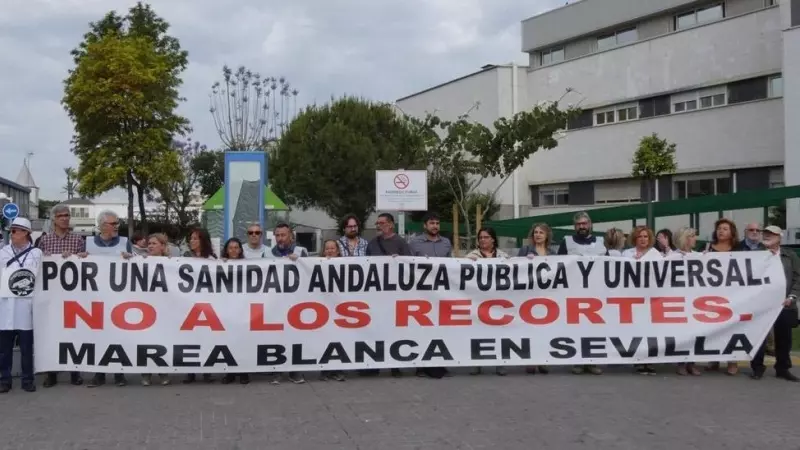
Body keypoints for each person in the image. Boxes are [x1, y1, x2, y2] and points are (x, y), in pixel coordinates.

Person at [38, 204, 87, 388]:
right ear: (54, 219)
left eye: (67, 215)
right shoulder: (45, 241)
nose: (65, 218)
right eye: (61, 216)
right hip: (51, 295)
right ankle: (51, 373)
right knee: (52, 333)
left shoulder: (77, 240)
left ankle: (75, 371)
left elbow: (86, 262)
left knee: (74, 332)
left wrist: (80, 256)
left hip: (73, 294)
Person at [86, 210, 131, 388]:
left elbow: (135, 265)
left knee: (118, 336)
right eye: (113, 224)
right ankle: (99, 373)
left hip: (118, 299)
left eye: (117, 223)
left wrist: (131, 258)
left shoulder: (124, 242)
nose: (116, 227)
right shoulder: (88, 243)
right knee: (98, 336)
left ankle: (119, 373)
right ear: (103, 225)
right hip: (95, 298)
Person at [363, 213, 411, 378]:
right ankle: (374, 364)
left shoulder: (401, 243)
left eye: (382, 223)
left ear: (391, 225)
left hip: (395, 294)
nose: (378, 226)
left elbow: (409, 265)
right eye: (377, 223)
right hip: (376, 294)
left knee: (393, 330)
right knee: (375, 329)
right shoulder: (372, 244)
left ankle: (394, 365)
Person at [750, 225, 800, 382]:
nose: (767, 236)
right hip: (762, 304)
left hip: (785, 303)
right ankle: (757, 367)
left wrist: (792, 297)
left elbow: (798, 278)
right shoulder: (755, 255)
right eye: (765, 233)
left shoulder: (790, 255)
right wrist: (764, 258)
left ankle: (783, 368)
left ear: (780, 238)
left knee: (784, 337)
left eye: (771, 234)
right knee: (760, 336)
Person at [558, 212, 604, 376]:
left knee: (595, 329)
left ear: (590, 224)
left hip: (596, 293)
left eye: (584, 223)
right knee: (575, 328)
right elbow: (559, 264)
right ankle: (577, 360)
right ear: (574, 226)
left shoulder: (600, 242)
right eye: (578, 224)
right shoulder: (567, 242)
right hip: (574, 292)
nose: (582, 227)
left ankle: (593, 361)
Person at [0, 218, 41, 393]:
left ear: (25, 233)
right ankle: (5, 380)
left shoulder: (37, 253)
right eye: (11, 231)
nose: (12, 234)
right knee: (4, 349)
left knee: (26, 347)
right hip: (5, 305)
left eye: (15, 231)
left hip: (26, 305)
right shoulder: (3, 252)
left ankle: (27, 380)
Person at [409, 212, 453, 378]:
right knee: (422, 329)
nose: (435, 226)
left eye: (437, 223)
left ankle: (441, 363)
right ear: (425, 225)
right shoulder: (414, 243)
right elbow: (408, 266)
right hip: (422, 293)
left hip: (442, 293)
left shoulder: (446, 243)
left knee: (441, 329)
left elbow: (451, 265)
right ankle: (420, 365)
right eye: (432, 223)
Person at [467, 227, 511, 376]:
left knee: (500, 332)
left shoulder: (504, 256)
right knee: (478, 332)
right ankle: (477, 363)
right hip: (478, 301)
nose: (482, 240)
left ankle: (500, 363)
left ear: (493, 239)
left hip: (498, 301)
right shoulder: (471, 256)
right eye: (480, 238)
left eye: (486, 237)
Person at [270, 222, 308, 384]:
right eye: (277, 235)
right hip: (275, 302)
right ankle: (277, 370)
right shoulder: (268, 254)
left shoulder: (301, 252)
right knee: (276, 336)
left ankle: (295, 370)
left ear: (291, 236)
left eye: (283, 235)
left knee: (295, 336)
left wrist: (299, 261)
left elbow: (311, 271)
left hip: (296, 302)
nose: (280, 238)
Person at [704, 218, 741, 376]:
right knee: (713, 326)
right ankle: (714, 360)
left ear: (732, 232)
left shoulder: (740, 250)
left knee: (731, 327)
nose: (721, 231)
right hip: (711, 294)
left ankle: (732, 361)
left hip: (733, 295)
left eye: (725, 229)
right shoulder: (707, 248)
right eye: (719, 228)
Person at [182, 228, 217, 384]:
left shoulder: (212, 259)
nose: (192, 241)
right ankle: (191, 371)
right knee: (189, 339)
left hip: (207, 304)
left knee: (206, 338)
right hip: (188, 304)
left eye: (195, 238)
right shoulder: (184, 258)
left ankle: (207, 371)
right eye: (191, 238)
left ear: (203, 240)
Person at [516, 223, 551, 376]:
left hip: (548, 295)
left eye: (541, 232)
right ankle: (530, 360)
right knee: (530, 329)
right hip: (529, 295)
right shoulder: (525, 250)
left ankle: (543, 360)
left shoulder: (553, 253)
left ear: (547, 235)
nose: (538, 235)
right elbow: (515, 268)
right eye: (535, 232)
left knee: (545, 329)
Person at [137, 233, 172, 386]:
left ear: (163, 247)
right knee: (146, 340)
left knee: (161, 340)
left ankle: (162, 371)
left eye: (154, 243)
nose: (150, 246)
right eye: (149, 243)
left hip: (164, 307)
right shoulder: (140, 261)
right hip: (146, 307)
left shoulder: (173, 263)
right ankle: (146, 373)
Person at [668, 227, 702, 376]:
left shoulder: (698, 256)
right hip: (678, 300)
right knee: (681, 333)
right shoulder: (672, 256)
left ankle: (691, 363)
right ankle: (681, 363)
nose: (696, 239)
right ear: (685, 238)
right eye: (693, 236)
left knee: (695, 332)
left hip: (695, 301)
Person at [219, 237, 251, 385]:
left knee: (243, 341)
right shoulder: (218, 265)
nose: (233, 250)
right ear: (226, 250)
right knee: (228, 341)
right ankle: (230, 372)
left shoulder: (249, 265)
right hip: (226, 309)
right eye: (230, 247)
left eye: (236, 247)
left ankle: (244, 372)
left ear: (240, 250)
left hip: (243, 308)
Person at [319, 239, 347, 382]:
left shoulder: (347, 266)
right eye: (327, 248)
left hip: (341, 308)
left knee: (339, 339)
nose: (330, 251)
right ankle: (325, 369)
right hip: (324, 308)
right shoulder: (317, 265)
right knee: (325, 339)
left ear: (338, 251)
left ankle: (337, 369)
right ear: (323, 251)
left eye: (332, 248)